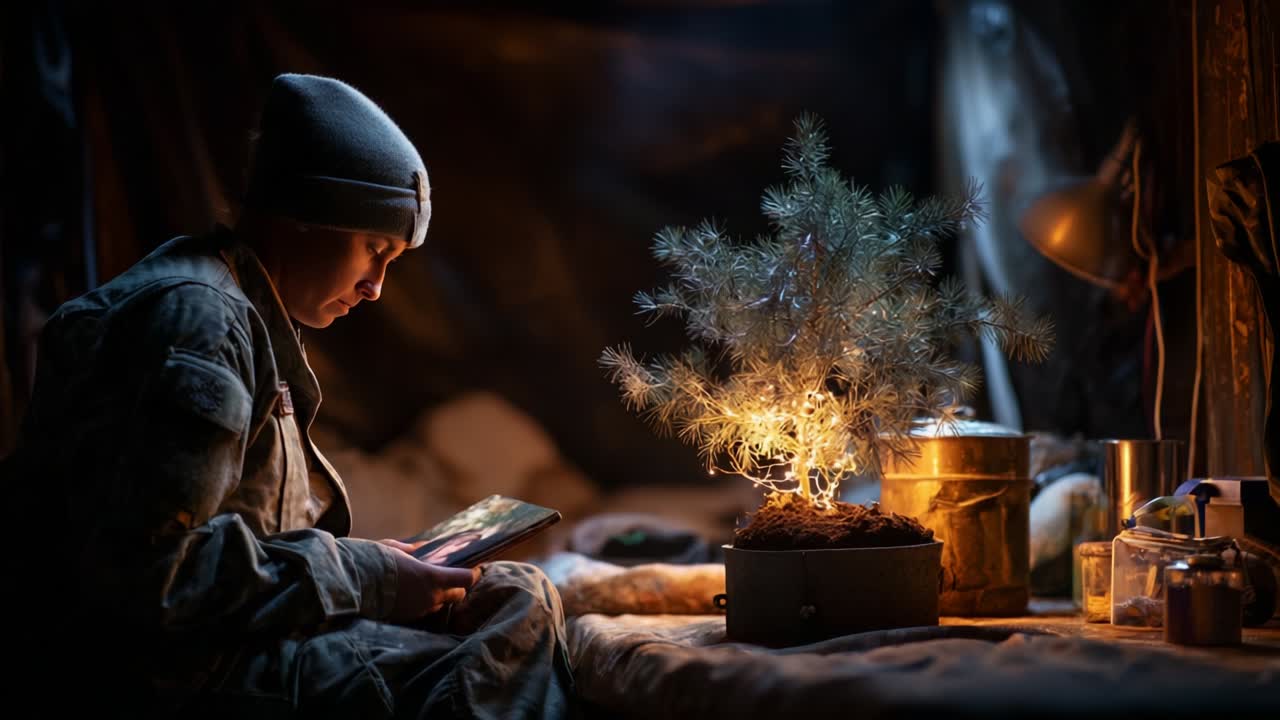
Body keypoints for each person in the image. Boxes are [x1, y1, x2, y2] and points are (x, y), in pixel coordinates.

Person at [6, 74, 572, 718]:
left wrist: (370, 561)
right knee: (516, 628)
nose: (377, 288)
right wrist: (368, 577)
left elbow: (237, 534)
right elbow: (152, 578)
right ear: (303, 215)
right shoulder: (200, 321)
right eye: (374, 250)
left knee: (515, 592)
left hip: (233, 642)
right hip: (189, 673)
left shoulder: (239, 307)